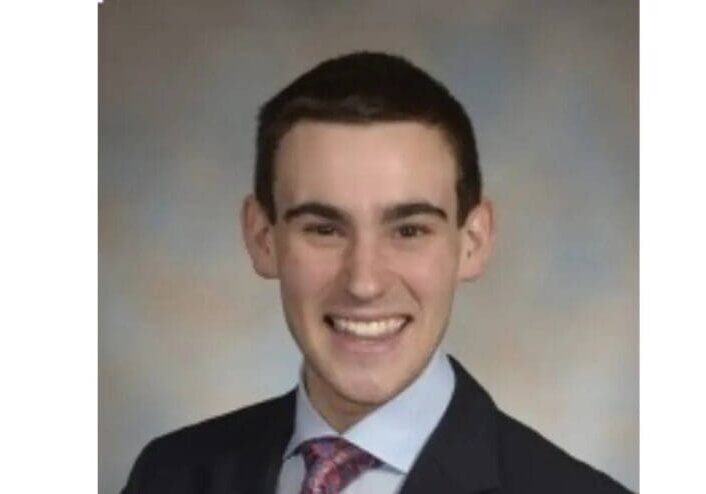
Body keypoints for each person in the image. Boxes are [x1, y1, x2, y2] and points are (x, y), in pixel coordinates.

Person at [122, 52, 632, 494]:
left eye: (409, 231)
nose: (364, 283)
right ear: (262, 238)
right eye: (324, 229)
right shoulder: (169, 476)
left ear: (472, 243)